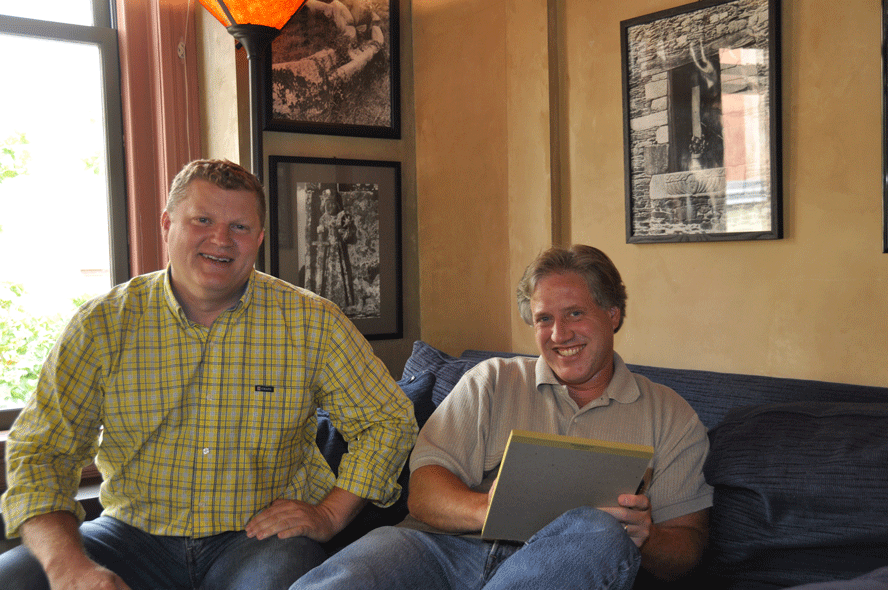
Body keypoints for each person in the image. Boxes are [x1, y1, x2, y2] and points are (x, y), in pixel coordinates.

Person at [0, 159, 417, 590]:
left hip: (260, 537)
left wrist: (330, 513)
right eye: (202, 220)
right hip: (129, 535)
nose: (220, 239)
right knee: (13, 579)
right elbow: (41, 453)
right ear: (167, 225)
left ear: (258, 239)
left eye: (239, 227)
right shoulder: (102, 326)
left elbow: (387, 420)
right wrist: (69, 569)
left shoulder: (313, 323)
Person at [291, 244, 712, 590]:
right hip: (441, 550)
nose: (559, 334)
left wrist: (648, 538)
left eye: (575, 314)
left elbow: (687, 549)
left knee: (599, 530)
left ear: (613, 315)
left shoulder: (670, 415)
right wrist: (488, 508)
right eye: (544, 319)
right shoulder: (493, 380)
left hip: (558, 569)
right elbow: (423, 489)